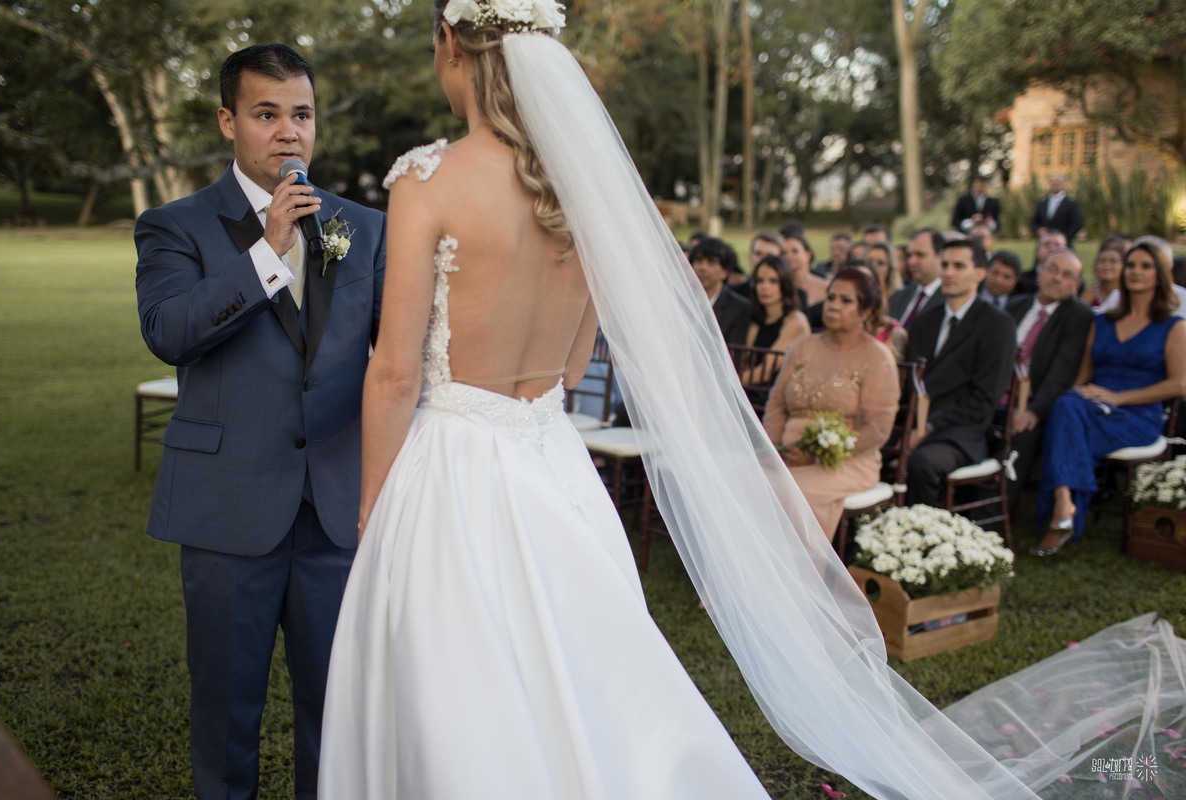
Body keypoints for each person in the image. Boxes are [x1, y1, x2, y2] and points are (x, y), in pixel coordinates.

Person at [319, 3, 1041, 799]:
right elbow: (570, 368)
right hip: (552, 461)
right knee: (589, 672)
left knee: (455, 682)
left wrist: (373, 508)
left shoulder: (427, 180)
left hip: (452, 466)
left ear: (450, 44)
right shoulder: (577, 189)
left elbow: (393, 374)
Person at [134, 44, 386, 799]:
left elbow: (395, 355)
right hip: (228, 508)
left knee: (335, 716)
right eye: (266, 113)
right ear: (228, 121)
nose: (288, 132)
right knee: (226, 716)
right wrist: (269, 251)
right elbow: (169, 331)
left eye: (301, 114)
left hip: (337, 512)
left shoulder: (363, 228)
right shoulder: (175, 226)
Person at [1033, 236, 1186, 554]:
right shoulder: (1101, 321)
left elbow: (1180, 384)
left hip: (1137, 414)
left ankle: (1063, 510)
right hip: (1091, 405)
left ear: (1159, 275)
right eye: (1130, 265)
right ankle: (1065, 503)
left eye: (1145, 266)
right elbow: (1083, 376)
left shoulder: (1173, 327)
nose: (1135, 272)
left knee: (1067, 413)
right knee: (1066, 406)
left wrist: (1119, 399)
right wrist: (1074, 394)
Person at [762, 268, 899, 539]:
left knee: (789, 492)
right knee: (745, 481)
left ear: (866, 311)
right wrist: (774, 448)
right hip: (786, 454)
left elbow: (877, 429)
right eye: (831, 298)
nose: (834, 306)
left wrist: (815, 454)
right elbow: (776, 404)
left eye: (846, 301)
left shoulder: (876, 358)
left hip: (846, 462)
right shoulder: (803, 347)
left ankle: (795, 576)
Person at [904, 238, 1017, 506]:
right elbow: (911, 383)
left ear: (980, 274)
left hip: (964, 432)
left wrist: (928, 427)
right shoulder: (925, 321)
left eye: (958, 265)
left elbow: (984, 398)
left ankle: (923, 535)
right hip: (914, 424)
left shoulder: (998, 325)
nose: (948, 273)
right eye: (944, 265)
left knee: (923, 463)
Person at [1004, 250, 1093, 518]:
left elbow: (1062, 371)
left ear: (1076, 285)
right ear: (1039, 271)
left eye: (1068, 275)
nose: (1057, 278)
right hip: (994, 394)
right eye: (1052, 269)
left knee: (1024, 434)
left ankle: (997, 512)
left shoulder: (1078, 316)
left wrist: (1034, 410)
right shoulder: (1014, 306)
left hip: (1035, 401)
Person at [741, 254, 810, 397]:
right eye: (760, 281)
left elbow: (765, 372)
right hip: (754, 394)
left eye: (773, 281)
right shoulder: (757, 321)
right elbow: (746, 362)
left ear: (785, 285)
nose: (764, 287)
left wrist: (728, 384)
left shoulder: (795, 321)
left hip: (782, 399)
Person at [690, 236, 751, 345]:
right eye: (699, 261)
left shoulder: (739, 308)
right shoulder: (681, 301)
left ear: (725, 272)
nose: (703, 268)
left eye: (711, 263)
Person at [888, 227, 945, 330]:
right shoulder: (898, 297)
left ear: (940, 256)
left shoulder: (949, 300)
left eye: (920, 255)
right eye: (910, 255)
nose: (912, 262)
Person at [1030, 172, 1084, 246]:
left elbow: (1077, 224)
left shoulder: (1071, 203)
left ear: (1063, 184)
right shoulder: (1042, 202)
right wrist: (1038, 230)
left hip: (1064, 246)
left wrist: (1063, 237)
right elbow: (1035, 222)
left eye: (1057, 181)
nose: (1054, 184)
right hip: (1044, 245)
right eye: (1051, 181)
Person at [1080, 236, 1127, 307]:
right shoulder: (1089, 295)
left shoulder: (1129, 295)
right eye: (1102, 261)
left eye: (1113, 261)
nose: (1107, 266)